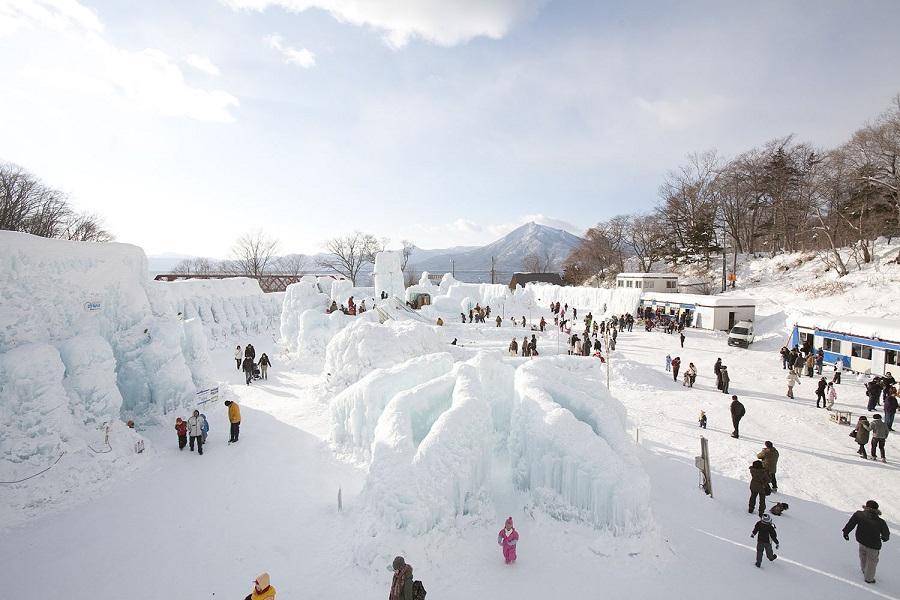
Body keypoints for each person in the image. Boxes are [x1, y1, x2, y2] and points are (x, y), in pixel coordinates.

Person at [842, 500, 890, 584]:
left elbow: (851, 524)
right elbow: (886, 534)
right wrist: (885, 538)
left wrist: (846, 532)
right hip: (873, 545)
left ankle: (864, 570)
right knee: (872, 561)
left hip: (861, 540)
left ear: (866, 507)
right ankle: (869, 578)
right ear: (876, 510)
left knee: (863, 555)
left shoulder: (859, 515)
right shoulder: (880, 522)